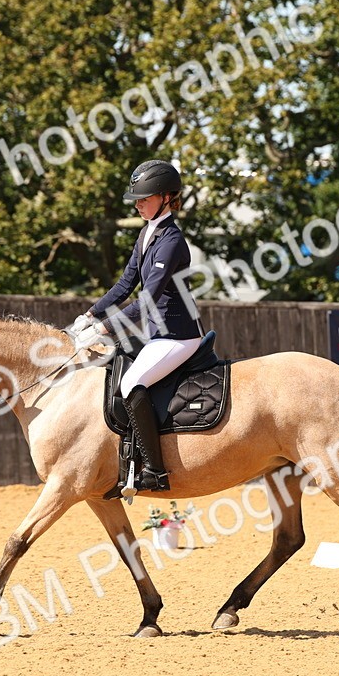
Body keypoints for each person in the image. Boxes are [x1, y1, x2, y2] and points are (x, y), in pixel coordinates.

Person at [71, 159, 204, 493]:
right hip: (156, 335)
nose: (138, 204)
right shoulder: (147, 233)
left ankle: (155, 472)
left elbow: (146, 301)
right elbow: (125, 284)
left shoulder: (171, 240)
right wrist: (91, 315)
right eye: (137, 199)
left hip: (178, 335)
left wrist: (103, 329)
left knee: (132, 383)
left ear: (166, 197)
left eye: (144, 198)